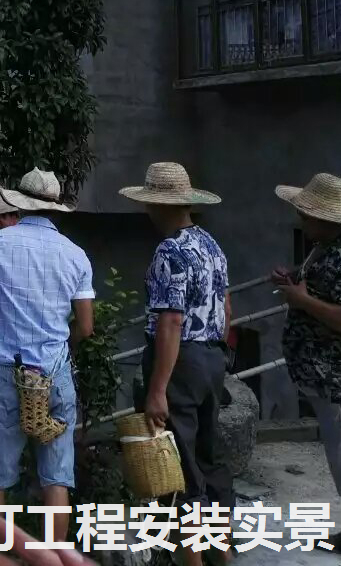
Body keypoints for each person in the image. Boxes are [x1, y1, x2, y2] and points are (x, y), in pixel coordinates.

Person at [120, 162, 232, 566]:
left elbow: (170, 320)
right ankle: (222, 553)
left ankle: (193, 561)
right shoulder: (211, 245)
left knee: (178, 466)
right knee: (208, 459)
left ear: (159, 205)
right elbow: (225, 305)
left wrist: (156, 390)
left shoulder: (170, 251)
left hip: (179, 362)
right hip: (212, 356)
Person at [0, 169, 94, 535]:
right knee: (56, 478)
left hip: (10, 372)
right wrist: (62, 350)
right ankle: (53, 557)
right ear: (56, 207)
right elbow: (86, 327)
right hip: (55, 375)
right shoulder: (76, 255)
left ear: (17, 203)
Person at [273, 172, 341, 566]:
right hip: (326, 381)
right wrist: (295, 282)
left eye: (307, 216)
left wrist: (303, 301)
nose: (301, 222)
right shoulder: (325, 248)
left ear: (327, 219)